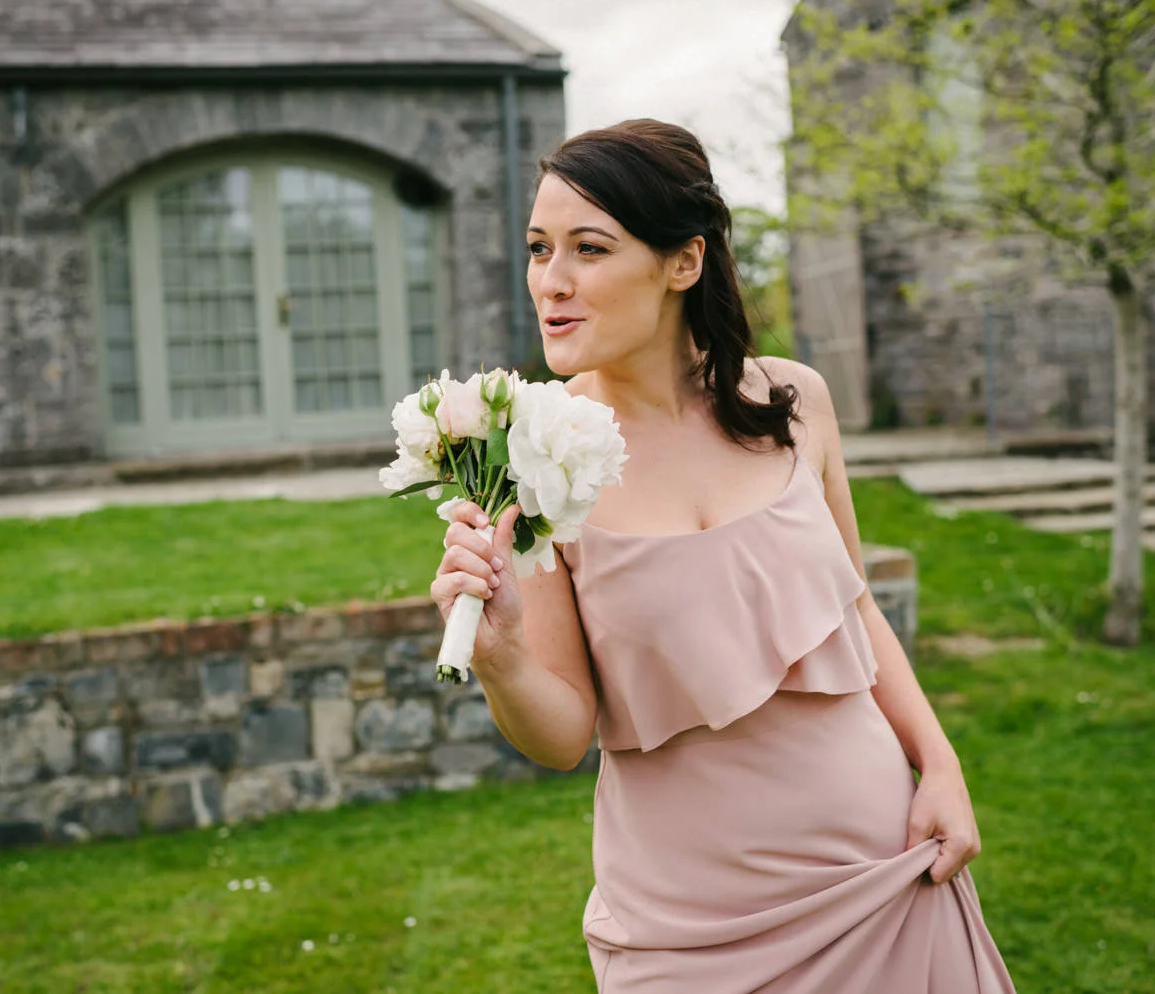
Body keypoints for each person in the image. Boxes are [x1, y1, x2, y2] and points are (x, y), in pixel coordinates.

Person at [429, 118, 1016, 993]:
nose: (551, 280)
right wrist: (502, 657)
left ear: (684, 262)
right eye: (539, 248)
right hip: (689, 927)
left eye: (589, 248)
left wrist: (940, 762)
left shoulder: (794, 401)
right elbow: (560, 736)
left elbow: (856, 606)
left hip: (883, 869)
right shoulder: (530, 461)